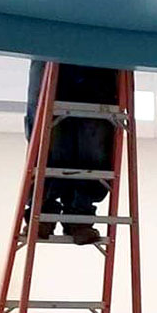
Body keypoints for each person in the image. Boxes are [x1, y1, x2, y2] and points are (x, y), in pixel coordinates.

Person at [21, 60, 121, 244]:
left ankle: (76, 215)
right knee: (48, 133)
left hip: (98, 51)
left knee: (93, 134)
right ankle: (44, 213)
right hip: (58, 45)